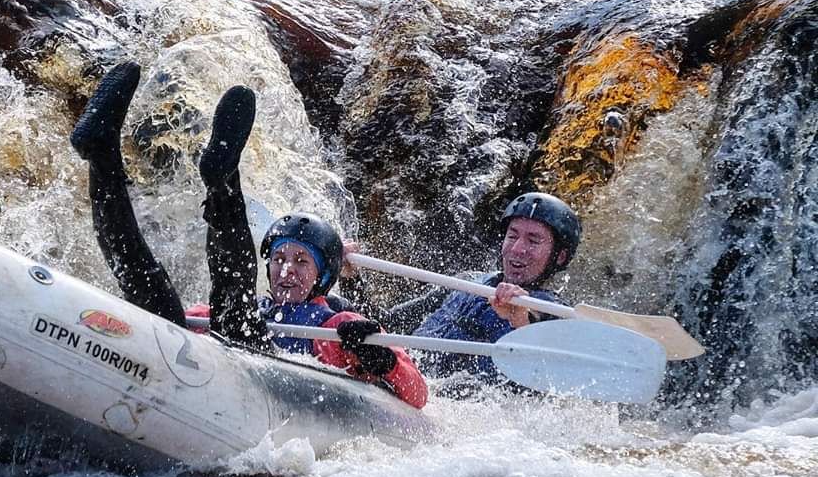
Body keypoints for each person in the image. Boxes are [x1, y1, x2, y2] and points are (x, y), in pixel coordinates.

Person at [70, 61, 428, 409]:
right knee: (152, 294)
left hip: (269, 378)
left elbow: (418, 393)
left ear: (324, 277)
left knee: (234, 304)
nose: (286, 271)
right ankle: (103, 157)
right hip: (232, 357)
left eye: (302, 261)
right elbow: (179, 320)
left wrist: (381, 359)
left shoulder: (340, 325)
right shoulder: (259, 308)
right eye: (278, 259)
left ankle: (224, 181)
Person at [383, 192, 581, 391]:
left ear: (560, 256)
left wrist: (521, 322)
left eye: (533, 241)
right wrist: (351, 277)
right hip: (400, 381)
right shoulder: (467, 283)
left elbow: (549, 380)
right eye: (512, 236)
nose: (518, 248)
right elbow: (385, 323)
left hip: (461, 405)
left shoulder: (556, 315)